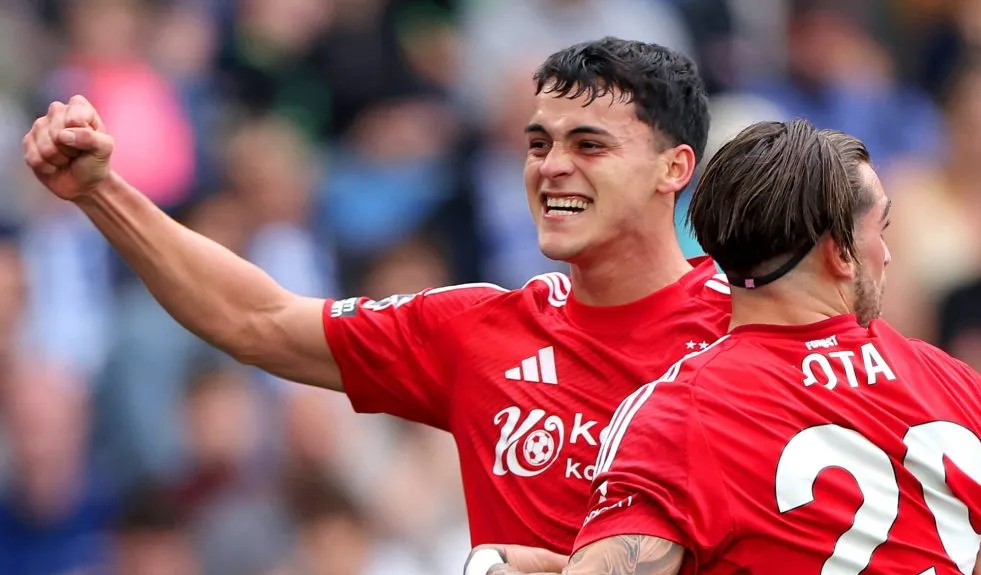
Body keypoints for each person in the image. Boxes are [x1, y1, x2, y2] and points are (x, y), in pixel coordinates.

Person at [21, 37, 725, 563]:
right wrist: (101, 192)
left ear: (675, 168)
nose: (551, 167)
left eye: (589, 144)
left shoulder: (754, 330)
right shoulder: (479, 327)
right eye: (538, 143)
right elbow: (257, 319)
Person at [544, 120, 981, 574]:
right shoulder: (954, 382)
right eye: (882, 228)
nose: (889, 253)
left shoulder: (681, 413)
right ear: (840, 251)